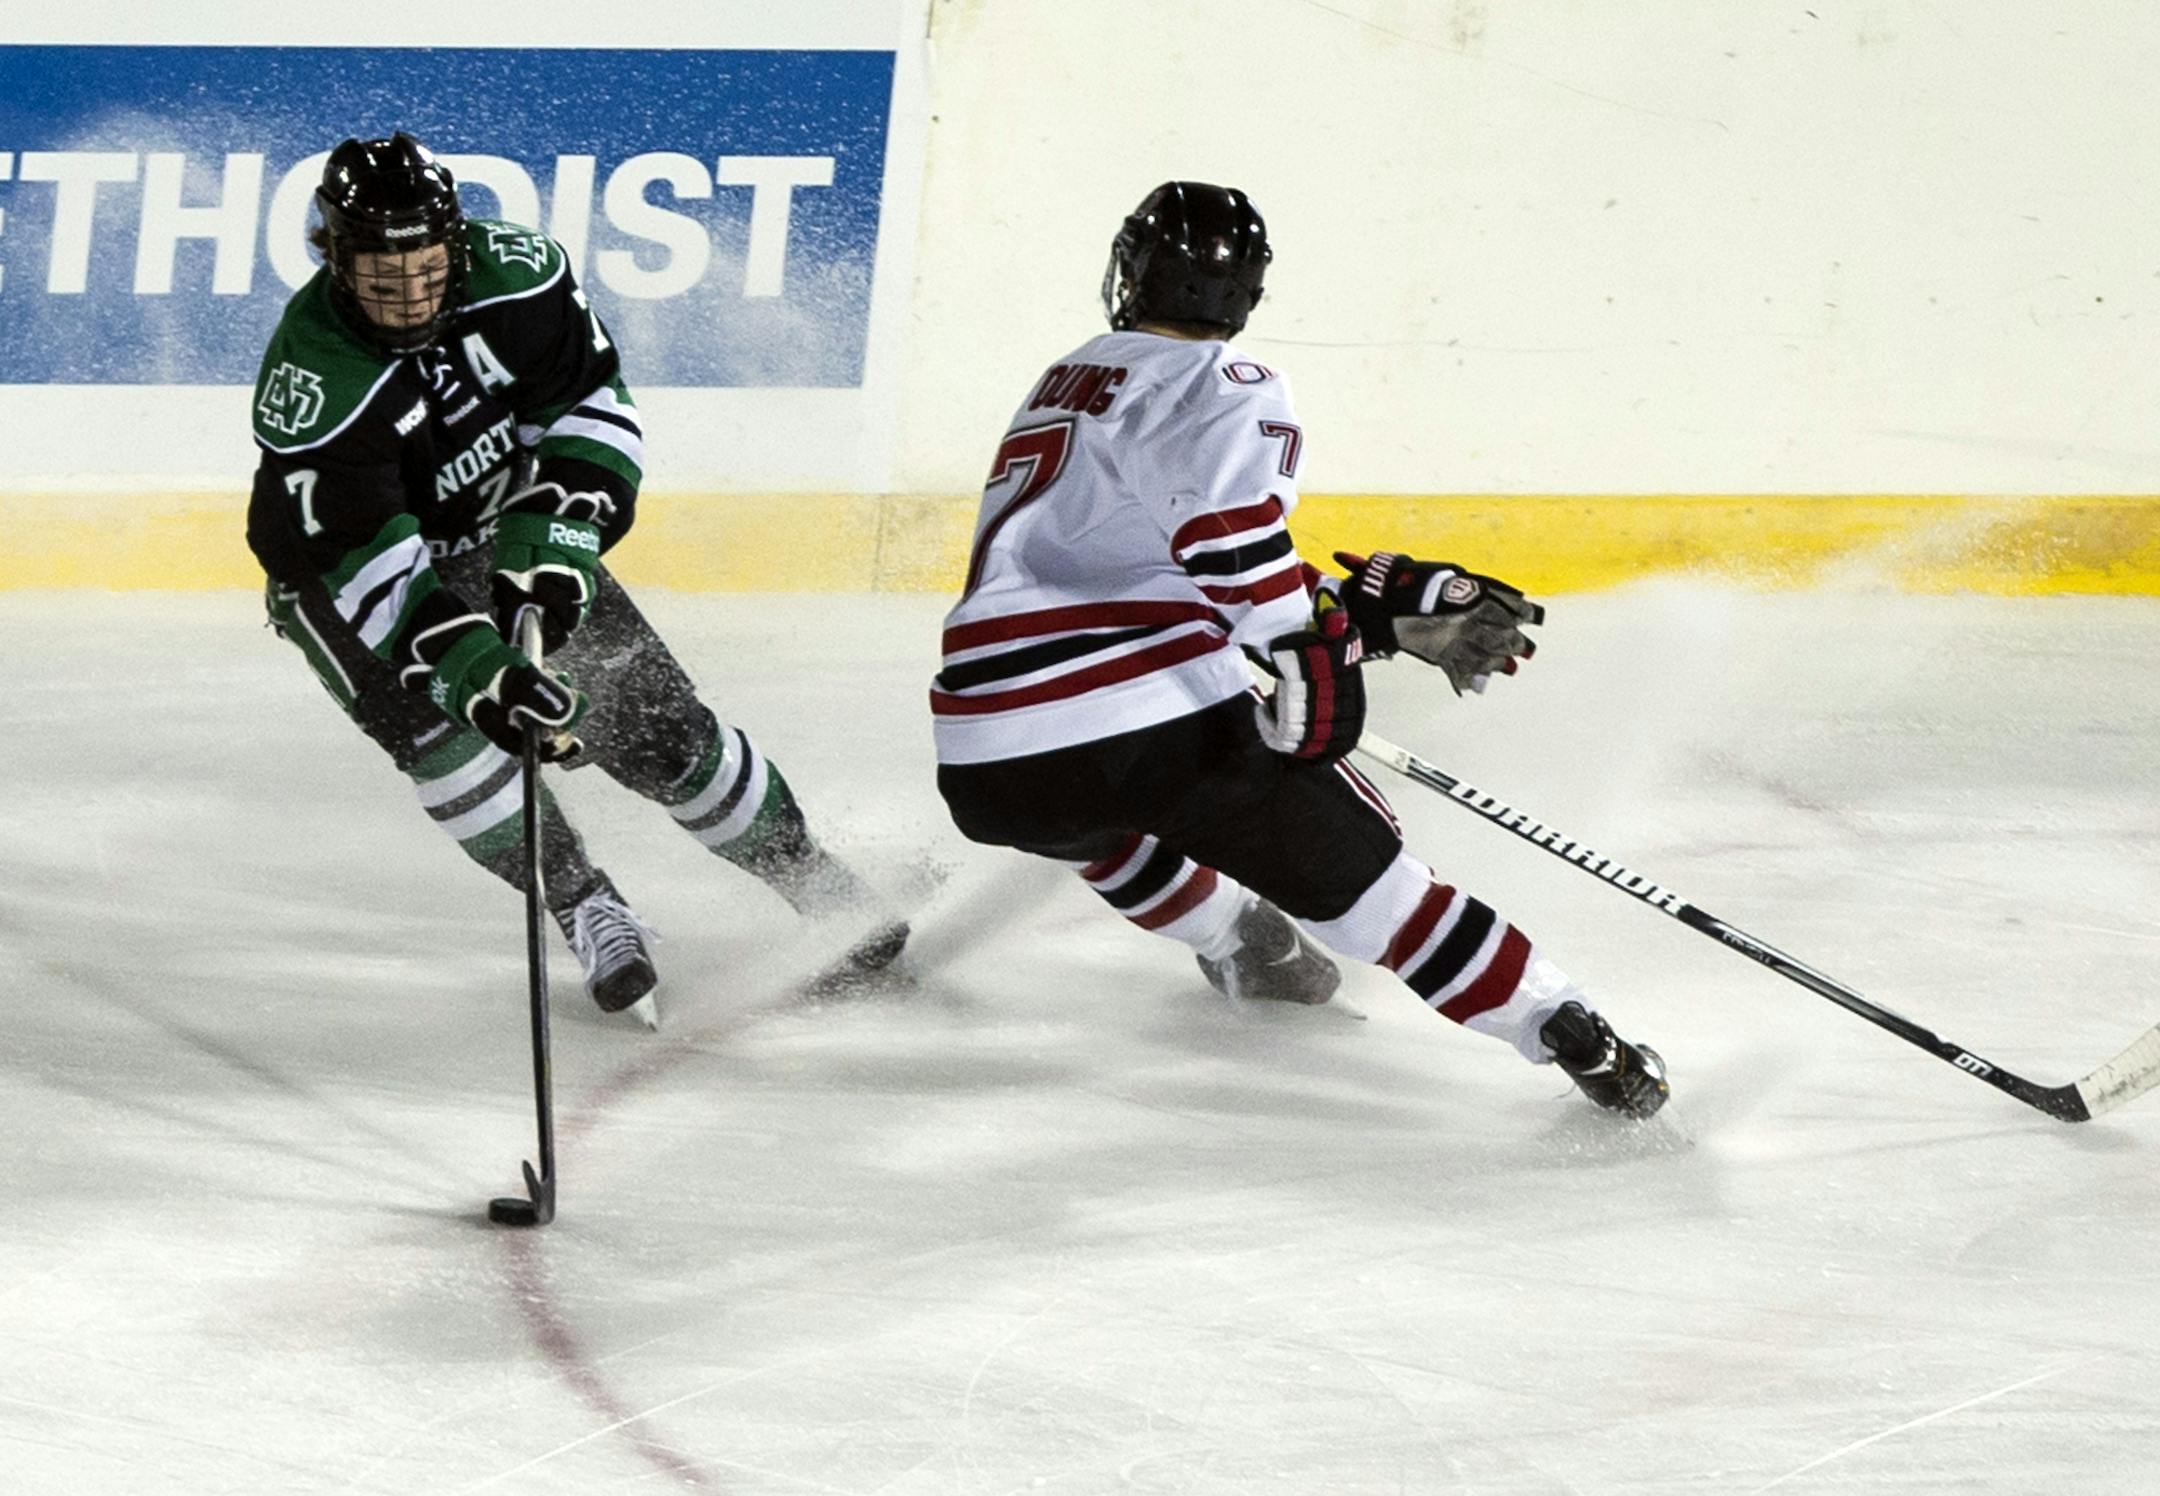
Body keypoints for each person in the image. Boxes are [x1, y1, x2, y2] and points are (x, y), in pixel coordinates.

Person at [931, 181, 1668, 1118]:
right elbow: (1225, 534)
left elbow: (1164, 550)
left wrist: (1358, 608)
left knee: (1104, 825)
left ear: (1133, 267)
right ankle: (1572, 1033)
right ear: (1247, 294)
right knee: (1387, 906)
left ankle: (1246, 944)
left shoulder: (1069, 380)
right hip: (1152, 728)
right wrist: (1307, 644)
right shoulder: (1228, 383)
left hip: (987, 759)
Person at [246, 134, 901, 1028]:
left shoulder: (519, 278)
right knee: (456, 750)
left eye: (425, 268)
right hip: (345, 582)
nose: (406, 296)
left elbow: (592, 403)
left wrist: (555, 540)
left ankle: (813, 879)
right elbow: (372, 573)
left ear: (457, 243)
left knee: (660, 731)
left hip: (498, 519)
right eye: (378, 275)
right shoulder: (316, 382)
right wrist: (478, 674)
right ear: (335, 258)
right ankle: (585, 903)